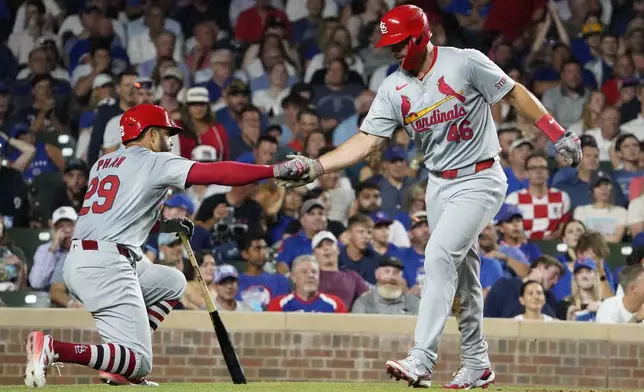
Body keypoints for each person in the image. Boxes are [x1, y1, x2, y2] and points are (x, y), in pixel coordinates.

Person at [277, 6, 582, 387]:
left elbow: (514, 92)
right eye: (388, 44)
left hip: (481, 177)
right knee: (464, 277)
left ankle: (421, 357)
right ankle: (477, 362)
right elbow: (367, 140)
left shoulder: (464, 63)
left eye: (398, 44)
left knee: (438, 255)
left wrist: (557, 133)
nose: (392, 52)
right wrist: (317, 166)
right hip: (439, 186)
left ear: (420, 37)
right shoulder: (393, 87)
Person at [23, 103, 306, 387]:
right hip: (107, 264)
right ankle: (53, 348)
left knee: (173, 282)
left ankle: (123, 364)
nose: (170, 141)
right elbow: (216, 173)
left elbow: (119, 214)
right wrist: (273, 170)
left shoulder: (103, 163)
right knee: (140, 361)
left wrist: (165, 224)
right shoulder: (154, 161)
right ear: (150, 134)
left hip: (85, 260)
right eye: (166, 133)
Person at [484, 255, 564, 319]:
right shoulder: (504, 285)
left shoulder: (550, 299)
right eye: (554, 275)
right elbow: (488, 319)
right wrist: (529, 283)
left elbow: (551, 323)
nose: (555, 282)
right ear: (540, 267)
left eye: (558, 278)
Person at [267, 255, 347, 313]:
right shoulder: (278, 304)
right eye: (304, 272)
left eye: (314, 272)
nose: (310, 275)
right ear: (293, 278)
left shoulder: (336, 304)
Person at [313, 230, 369, 310]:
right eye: (320, 246)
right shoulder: (311, 277)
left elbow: (369, 300)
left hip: (346, 320)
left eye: (329, 244)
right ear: (314, 254)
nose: (326, 248)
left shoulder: (352, 276)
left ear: (338, 250)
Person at [352, 256, 420, 315]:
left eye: (396, 272)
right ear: (377, 274)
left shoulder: (413, 302)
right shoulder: (364, 302)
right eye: (387, 271)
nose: (391, 277)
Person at [29, 206, 77, 291]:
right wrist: (52, 250)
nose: (66, 230)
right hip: (47, 299)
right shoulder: (44, 250)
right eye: (61, 227)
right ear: (54, 230)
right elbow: (36, 283)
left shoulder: (83, 249)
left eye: (70, 225)